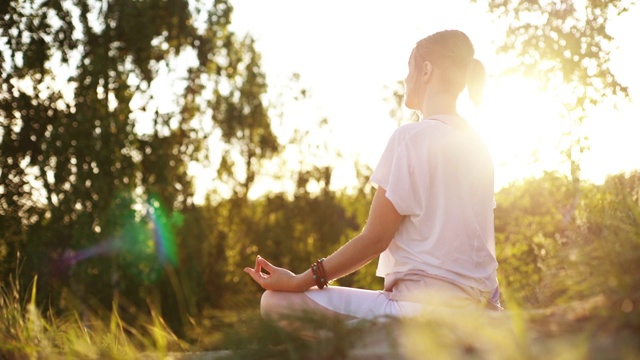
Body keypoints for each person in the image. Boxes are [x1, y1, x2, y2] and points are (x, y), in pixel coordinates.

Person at [244, 29, 502, 322]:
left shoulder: (411, 137)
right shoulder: (479, 146)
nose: (407, 79)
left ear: (427, 70)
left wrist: (299, 280)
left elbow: (375, 238)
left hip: (420, 314)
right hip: (482, 311)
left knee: (276, 302)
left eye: (410, 69)